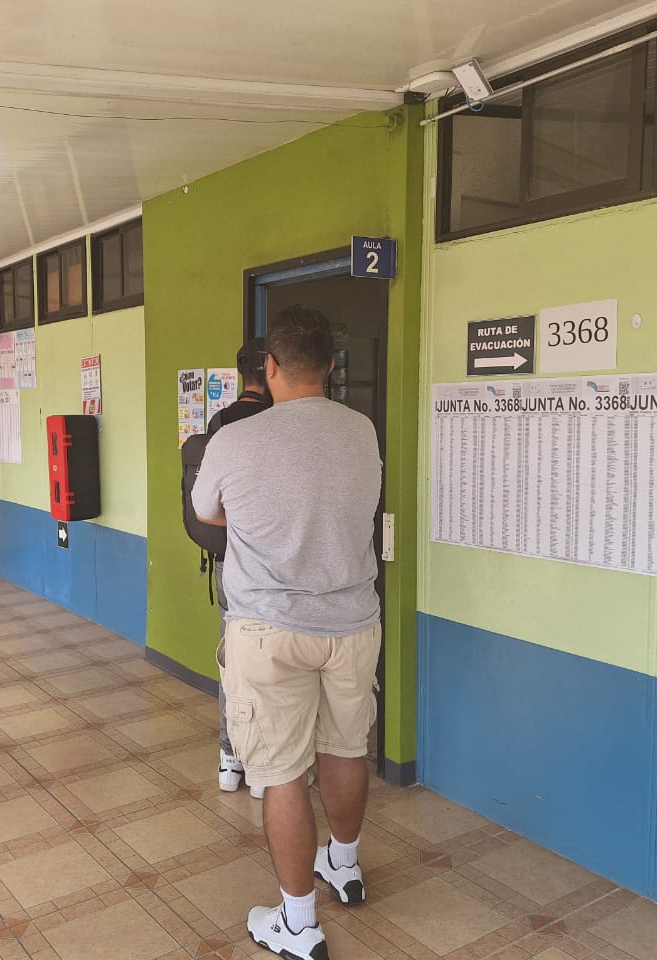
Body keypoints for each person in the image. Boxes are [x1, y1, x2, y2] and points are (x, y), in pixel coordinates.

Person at [192, 306, 382, 960]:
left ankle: (299, 923)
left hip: (267, 629)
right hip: (352, 624)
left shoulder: (234, 440)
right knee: (347, 750)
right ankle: (344, 864)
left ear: (270, 367)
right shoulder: (361, 430)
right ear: (330, 365)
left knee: (280, 774)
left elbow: (206, 511)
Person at [209, 338, 272, 799]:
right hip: (273, 564)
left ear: (239, 375)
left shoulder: (220, 423)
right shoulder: (280, 422)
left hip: (227, 561)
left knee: (232, 656)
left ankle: (230, 757)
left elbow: (206, 503)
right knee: (275, 660)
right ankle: (266, 761)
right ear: (273, 370)